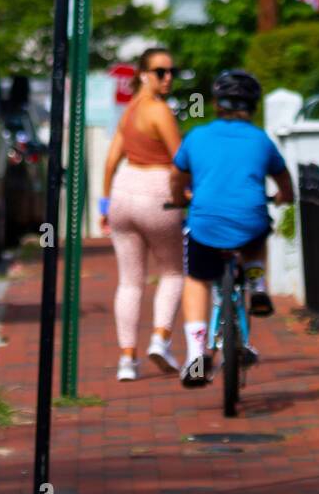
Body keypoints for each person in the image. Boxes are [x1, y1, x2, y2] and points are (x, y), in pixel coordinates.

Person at [170, 69, 294, 387]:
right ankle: (258, 283)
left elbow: (177, 177)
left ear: (216, 104)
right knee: (258, 232)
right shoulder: (260, 139)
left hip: (205, 223)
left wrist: (179, 198)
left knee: (197, 279)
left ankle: (197, 352)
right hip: (249, 221)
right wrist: (284, 197)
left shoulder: (196, 136)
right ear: (252, 106)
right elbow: (283, 179)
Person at [100, 46, 184, 381]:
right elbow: (180, 160)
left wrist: (104, 206)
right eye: (161, 72)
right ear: (143, 75)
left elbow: (109, 162)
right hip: (158, 191)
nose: (168, 78)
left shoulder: (129, 110)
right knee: (174, 272)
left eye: (171, 72)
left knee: (130, 281)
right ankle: (160, 340)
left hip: (123, 192)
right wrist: (191, 190)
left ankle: (126, 360)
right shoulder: (159, 111)